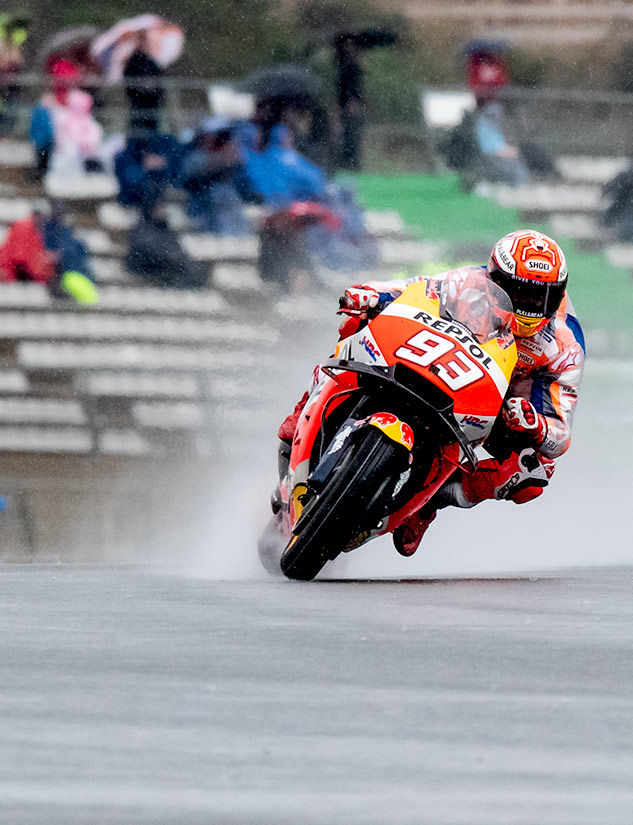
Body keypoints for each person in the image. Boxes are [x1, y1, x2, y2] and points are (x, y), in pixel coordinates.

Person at [276, 229, 585, 556]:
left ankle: (431, 502)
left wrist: (535, 424)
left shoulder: (565, 346)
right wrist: (372, 295)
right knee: (355, 330)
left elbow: (560, 433)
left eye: (540, 298)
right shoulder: (467, 283)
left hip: (502, 404)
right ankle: (304, 416)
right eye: (518, 293)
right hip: (439, 362)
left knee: (533, 470)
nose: (528, 307)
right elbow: (413, 289)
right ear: (494, 278)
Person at [181, 117, 254, 235]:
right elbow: (189, 181)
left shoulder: (233, 153)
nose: (223, 140)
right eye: (219, 135)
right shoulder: (195, 157)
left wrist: (231, 158)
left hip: (229, 207)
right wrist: (219, 162)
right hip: (204, 211)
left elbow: (245, 179)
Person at [125, 198, 211, 289]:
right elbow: (144, 247)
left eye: (162, 208)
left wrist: (176, 256)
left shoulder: (166, 228)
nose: (161, 211)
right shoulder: (142, 227)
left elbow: (175, 246)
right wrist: (168, 256)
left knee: (198, 267)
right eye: (158, 209)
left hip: (169, 262)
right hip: (151, 263)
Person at [334, 33, 365, 171]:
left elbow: (354, 86)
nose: (348, 47)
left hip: (351, 103)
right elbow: (344, 86)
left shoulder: (351, 65)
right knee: (348, 133)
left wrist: (353, 101)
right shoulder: (344, 64)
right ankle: (349, 162)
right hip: (347, 103)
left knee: (353, 133)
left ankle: (352, 163)